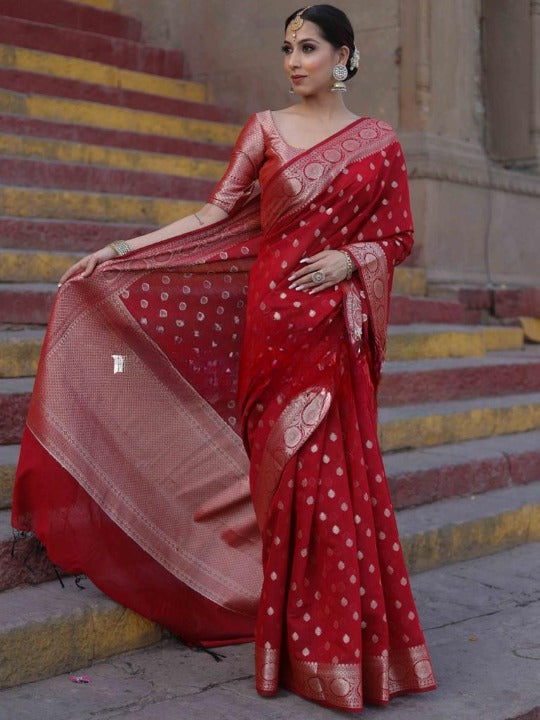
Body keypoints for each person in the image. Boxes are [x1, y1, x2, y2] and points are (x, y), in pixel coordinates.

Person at [11, 4, 437, 713]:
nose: (293, 60)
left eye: (308, 47)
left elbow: (397, 237)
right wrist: (120, 252)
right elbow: (214, 216)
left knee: (333, 487)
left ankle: (338, 652)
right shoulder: (265, 129)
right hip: (270, 329)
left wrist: (349, 258)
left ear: (345, 57)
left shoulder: (380, 143)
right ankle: (293, 641)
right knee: (283, 482)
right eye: (285, 48)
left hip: (332, 328)